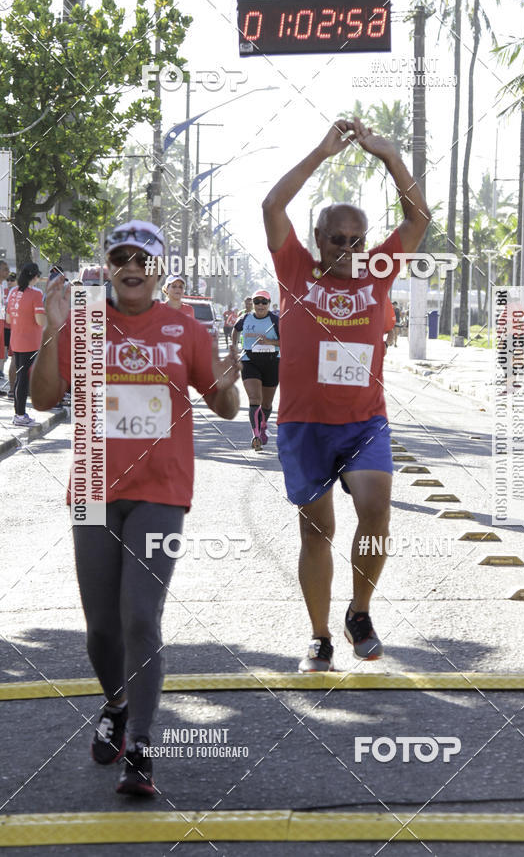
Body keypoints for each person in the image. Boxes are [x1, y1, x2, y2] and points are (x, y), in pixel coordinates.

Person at [30, 220, 239, 796]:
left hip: (162, 490)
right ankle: (117, 705)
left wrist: (227, 379)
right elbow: (43, 397)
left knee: (141, 617)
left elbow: (224, 405)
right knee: (100, 631)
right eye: (120, 257)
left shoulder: (185, 328)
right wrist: (52, 330)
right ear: (109, 266)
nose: (131, 266)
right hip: (93, 487)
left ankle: (142, 747)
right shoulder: (84, 325)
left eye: (142, 258)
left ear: (158, 268)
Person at [262, 116, 430, 672]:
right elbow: (271, 206)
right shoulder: (294, 269)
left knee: (377, 511)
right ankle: (319, 637)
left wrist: (388, 155)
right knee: (318, 531)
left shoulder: (377, 273)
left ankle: (359, 612)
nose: (351, 248)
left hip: (364, 422)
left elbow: (419, 218)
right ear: (318, 239)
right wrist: (320, 153)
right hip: (304, 424)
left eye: (359, 239)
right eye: (339, 238)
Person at [231, 289, 280, 450]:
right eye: (257, 302)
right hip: (249, 360)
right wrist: (234, 347)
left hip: (272, 362)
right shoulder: (245, 318)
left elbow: (287, 341)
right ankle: (256, 435)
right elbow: (235, 330)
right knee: (254, 398)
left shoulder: (275, 320)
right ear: (252, 304)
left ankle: (263, 425)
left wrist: (270, 342)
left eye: (264, 302)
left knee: (266, 403)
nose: (260, 305)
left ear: (268, 303)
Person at [5, 262, 45, 426]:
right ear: (34, 277)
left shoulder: (13, 292)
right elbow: (40, 320)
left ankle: (19, 414)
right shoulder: (36, 294)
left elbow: (8, 319)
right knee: (23, 378)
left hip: (16, 340)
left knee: (20, 377)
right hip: (31, 341)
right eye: (37, 276)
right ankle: (20, 415)